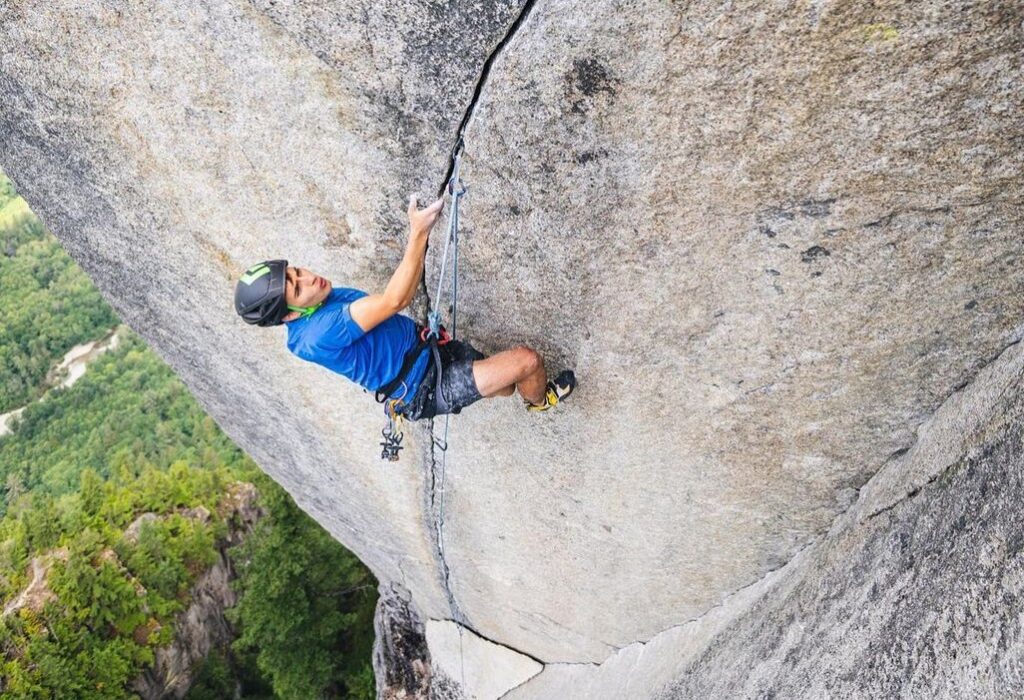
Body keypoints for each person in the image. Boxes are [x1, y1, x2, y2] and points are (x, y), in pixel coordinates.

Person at [233, 194, 575, 421]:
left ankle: (511, 388)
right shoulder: (318, 333)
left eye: (296, 272)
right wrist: (418, 233)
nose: (308, 278)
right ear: (290, 315)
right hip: (423, 387)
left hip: (428, 350)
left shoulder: (322, 298)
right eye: (296, 287)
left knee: (506, 385)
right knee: (526, 362)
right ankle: (539, 403)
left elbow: (397, 296)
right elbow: (396, 300)